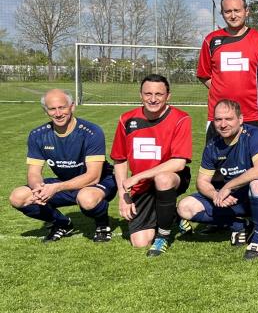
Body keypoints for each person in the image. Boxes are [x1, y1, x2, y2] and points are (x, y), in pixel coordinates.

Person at [10, 89, 116, 243]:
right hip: (65, 183)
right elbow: (33, 173)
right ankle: (61, 223)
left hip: (99, 181)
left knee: (86, 198)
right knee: (18, 197)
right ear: (45, 110)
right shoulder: (37, 135)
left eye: (62, 107)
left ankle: (102, 224)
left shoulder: (91, 132)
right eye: (52, 109)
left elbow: (93, 176)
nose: (58, 113)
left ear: (72, 107)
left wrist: (56, 188)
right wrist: (38, 188)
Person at [176, 99, 258, 260]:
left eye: (228, 119)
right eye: (218, 119)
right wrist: (215, 195)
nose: (223, 124)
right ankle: (238, 224)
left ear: (240, 119)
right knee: (185, 207)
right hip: (232, 198)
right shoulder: (212, 145)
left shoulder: (254, 135)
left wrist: (227, 186)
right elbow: (202, 181)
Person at [110, 75, 193, 255]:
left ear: (168, 96)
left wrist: (139, 176)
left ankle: (162, 236)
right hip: (141, 186)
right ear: (141, 94)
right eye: (148, 94)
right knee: (139, 242)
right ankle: (172, 214)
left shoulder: (181, 118)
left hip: (172, 178)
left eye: (158, 94)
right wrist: (123, 195)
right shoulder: (126, 120)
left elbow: (179, 163)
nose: (153, 99)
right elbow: (120, 159)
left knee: (162, 179)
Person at [196, 0, 258, 132]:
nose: (233, 16)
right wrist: (221, 90)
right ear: (222, 13)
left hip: (251, 115)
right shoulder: (210, 40)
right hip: (219, 116)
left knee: (255, 154)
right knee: (216, 154)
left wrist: (252, 92)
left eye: (237, 10)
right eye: (228, 11)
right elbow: (204, 75)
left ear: (247, 11)